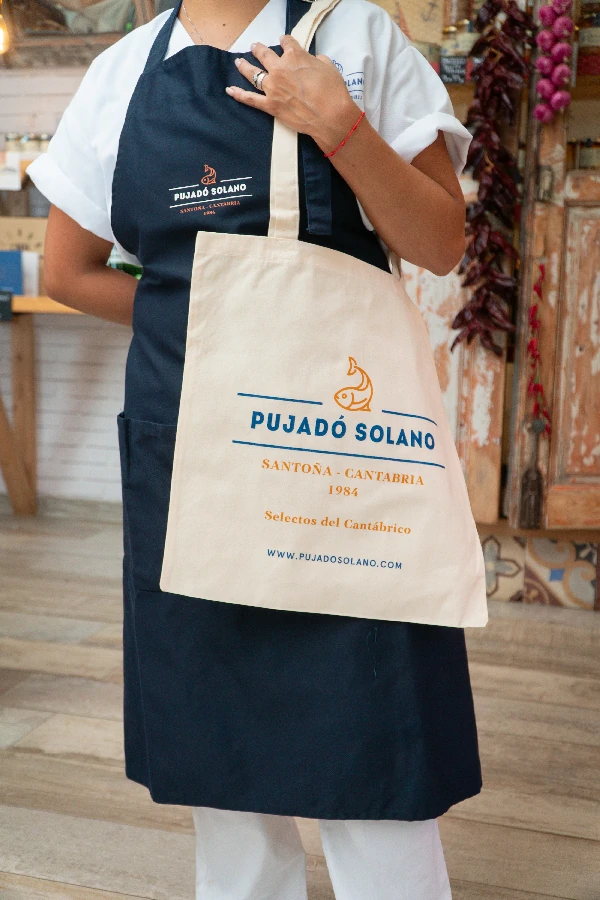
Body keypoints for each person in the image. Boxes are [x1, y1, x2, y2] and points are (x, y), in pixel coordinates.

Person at [27, 1, 481, 898]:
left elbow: (439, 242)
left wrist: (339, 126)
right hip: (188, 439)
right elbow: (67, 270)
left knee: (374, 726)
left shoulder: (356, 36)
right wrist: (225, 331)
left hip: (340, 449)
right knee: (218, 742)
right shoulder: (122, 72)